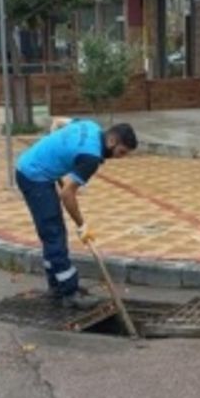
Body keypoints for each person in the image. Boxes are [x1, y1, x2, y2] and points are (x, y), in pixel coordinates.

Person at [16, 119, 138, 309]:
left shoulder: (91, 126)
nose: (119, 157)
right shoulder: (91, 157)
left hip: (32, 165)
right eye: (121, 152)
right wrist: (82, 226)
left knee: (52, 233)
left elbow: (58, 122)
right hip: (34, 176)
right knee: (54, 233)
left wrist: (56, 150)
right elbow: (67, 194)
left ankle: (56, 287)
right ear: (112, 140)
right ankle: (70, 293)